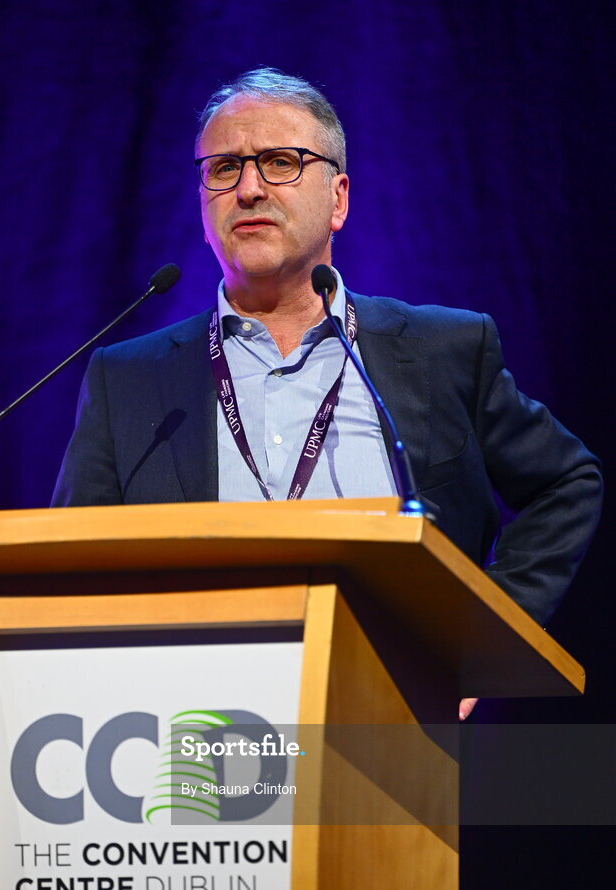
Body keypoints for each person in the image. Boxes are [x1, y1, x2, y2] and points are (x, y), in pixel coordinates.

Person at [53, 69, 602, 717]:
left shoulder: (443, 350)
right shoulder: (129, 378)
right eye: (225, 168)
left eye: (281, 162)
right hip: (188, 740)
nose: (249, 188)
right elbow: (68, 568)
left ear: (338, 199)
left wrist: (482, 642)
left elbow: (566, 483)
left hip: (397, 730)